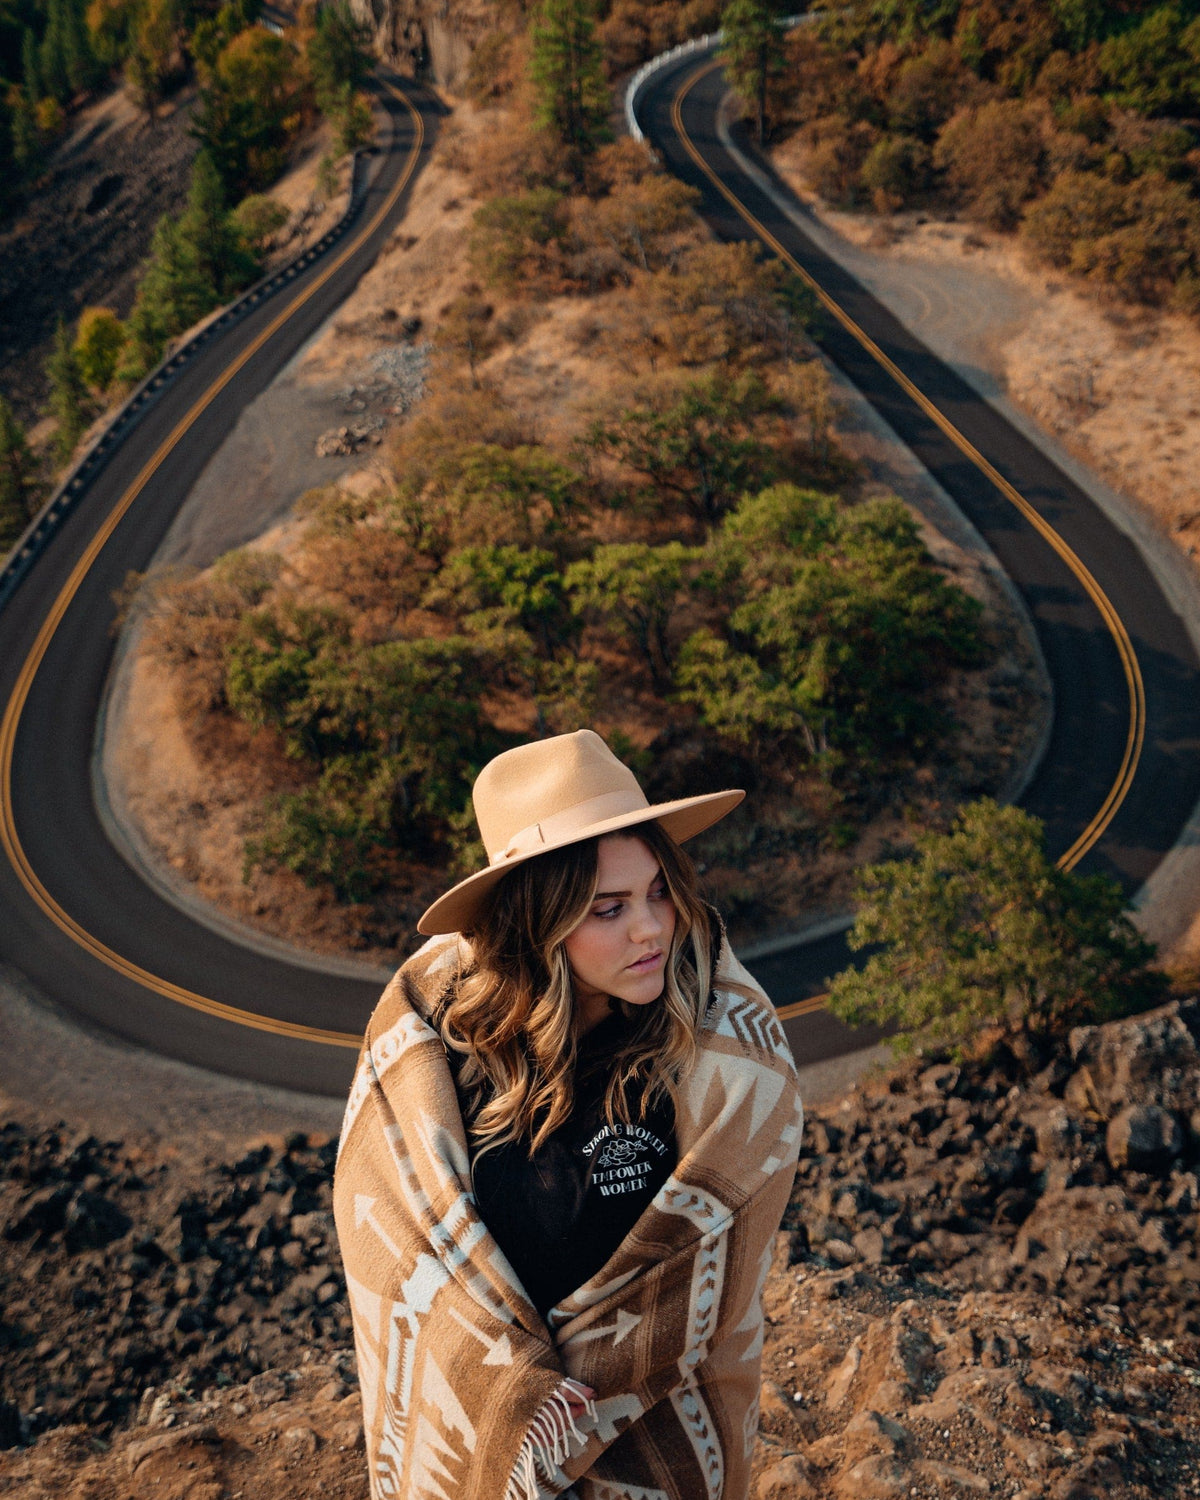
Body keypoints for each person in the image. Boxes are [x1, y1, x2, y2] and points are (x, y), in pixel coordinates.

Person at [334, 729, 803, 1500]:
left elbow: (709, 1270)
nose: (651, 929)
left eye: (658, 893)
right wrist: (517, 1397)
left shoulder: (708, 1053)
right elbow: (393, 1240)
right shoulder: (442, 1057)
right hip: (487, 1451)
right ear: (537, 923)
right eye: (608, 909)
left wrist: (580, 1394)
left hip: (656, 1441)